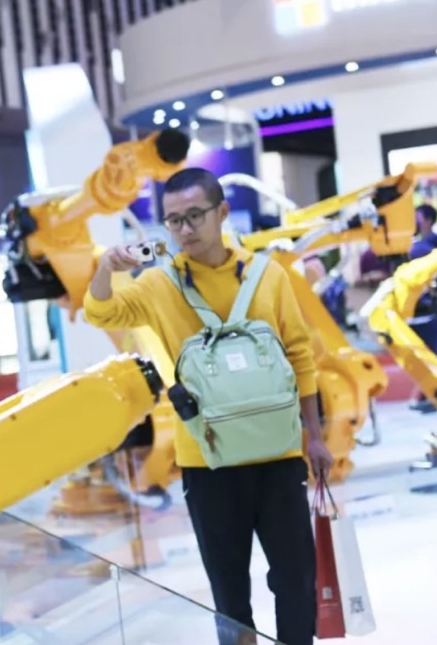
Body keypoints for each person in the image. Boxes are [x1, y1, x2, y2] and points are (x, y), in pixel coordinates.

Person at [82, 168, 332, 645]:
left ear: (222, 213)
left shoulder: (267, 275)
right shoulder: (158, 284)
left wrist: (315, 437)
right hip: (207, 460)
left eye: (195, 215)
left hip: (278, 456)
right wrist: (105, 269)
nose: (184, 229)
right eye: (173, 220)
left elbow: (300, 355)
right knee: (229, 595)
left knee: (296, 581)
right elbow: (101, 313)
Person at [408, 204, 437, 413]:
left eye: (417, 216)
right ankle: (432, 394)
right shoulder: (420, 245)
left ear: (427, 220)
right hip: (434, 307)